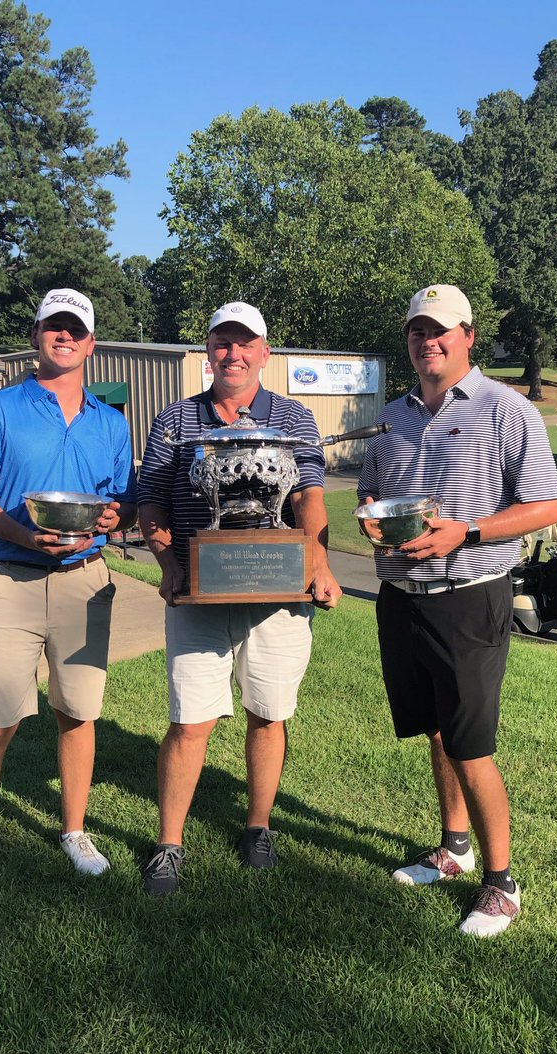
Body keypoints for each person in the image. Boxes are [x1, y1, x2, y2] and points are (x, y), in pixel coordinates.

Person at [358, 284, 557, 938]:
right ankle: (454, 848)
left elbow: (545, 507)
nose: (429, 341)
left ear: (469, 335)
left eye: (441, 330)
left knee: (471, 746)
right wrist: (370, 516)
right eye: (418, 331)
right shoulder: (393, 415)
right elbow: (370, 490)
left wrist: (466, 531)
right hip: (402, 597)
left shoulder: (506, 410)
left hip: (469, 596)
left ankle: (501, 885)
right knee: (437, 732)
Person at [137, 301, 342, 896]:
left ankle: (258, 825)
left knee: (268, 711)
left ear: (264, 352)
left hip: (279, 590)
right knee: (190, 718)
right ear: (208, 352)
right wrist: (170, 564)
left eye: (245, 343)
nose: (234, 353)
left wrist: (320, 565)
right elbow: (151, 499)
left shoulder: (296, 418)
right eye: (222, 343)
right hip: (201, 591)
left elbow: (307, 498)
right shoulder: (177, 420)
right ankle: (169, 843)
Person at [0, 287, 137, 909]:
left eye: (75, 329)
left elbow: (123, 500)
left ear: (91, 342)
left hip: (85, 581)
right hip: (12, 581)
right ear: (36, 336)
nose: (64, 337)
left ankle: (74, 832)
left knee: (78, 715)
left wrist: (115, 517)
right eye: (53, 327)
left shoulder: (110, 420)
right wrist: (23, 533)